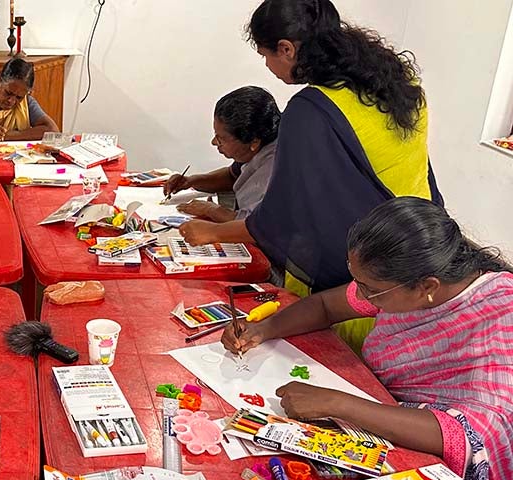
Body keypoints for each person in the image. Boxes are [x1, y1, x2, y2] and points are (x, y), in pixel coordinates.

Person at [222, 198, 513, 480]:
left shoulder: (497, 316)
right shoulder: (410, 282)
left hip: (425, 460)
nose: (361, 295)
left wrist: (339, 403)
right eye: (357, 280)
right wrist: (264, 330)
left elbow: (478, 432)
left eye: (371, 289)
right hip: (385, 408)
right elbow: (325, 306)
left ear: (426, 286)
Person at [179, 0, 442, 296]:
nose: (267, 65)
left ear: (286, 49)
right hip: (421, 243)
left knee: (340, 339)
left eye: (265, 55)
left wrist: (211, 231)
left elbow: (279, 217)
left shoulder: (311, 111)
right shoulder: (400, 85)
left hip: (365, 267)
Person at [163, 86, 280, 223]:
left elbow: (254, 226)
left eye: (221, 139)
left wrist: (211, 210)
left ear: (253, 142)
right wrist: (191, 181)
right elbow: (233, 176)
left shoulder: (276, 167)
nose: (214, 142)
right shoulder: (257, 148)